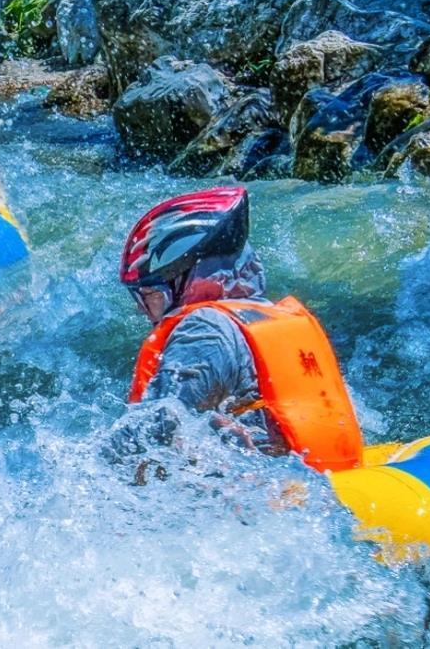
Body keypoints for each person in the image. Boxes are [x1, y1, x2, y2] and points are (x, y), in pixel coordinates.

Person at [115, 186, 363, 474]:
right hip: (327, 478)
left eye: (148, 294)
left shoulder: (205, 329)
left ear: (187, 280)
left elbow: (155, 430)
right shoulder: (266, 317)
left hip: (268, 500)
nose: (141, 309)